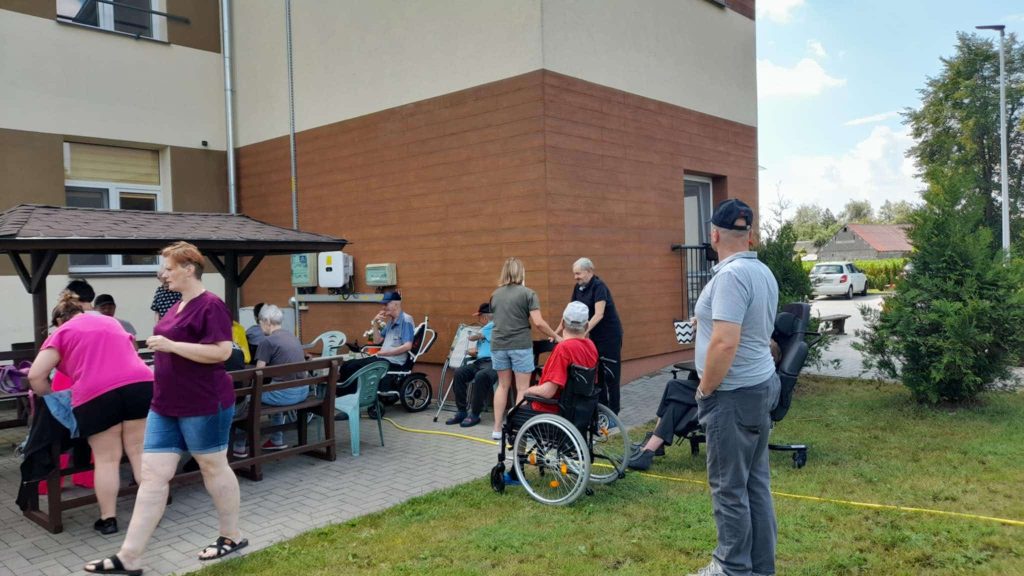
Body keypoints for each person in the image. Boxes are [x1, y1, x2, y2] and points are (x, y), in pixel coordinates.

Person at [86, 241, 246, 575]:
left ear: (189, 269)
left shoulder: (211, 305)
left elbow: (222, 352)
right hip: (164, 404)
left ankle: (231, 536)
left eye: (169, 268)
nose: (163, 274)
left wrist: (172, 345)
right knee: (153, 477)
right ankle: (129, 557)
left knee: (213, 467)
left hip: (204, 402)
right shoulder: (176, 305)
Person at [685, 198, 780, 576]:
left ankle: (731, 567)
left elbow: (725, 344)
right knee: (755, 484)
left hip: (732, 395)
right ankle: (760, 568)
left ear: (714, 235)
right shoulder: (761, 271)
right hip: (759, 386)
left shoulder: (730, 276)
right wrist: (704, 321)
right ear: (749, 235)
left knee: (728, 488)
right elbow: (748, 326)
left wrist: (705, 390)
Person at [26, 291, 153, 536]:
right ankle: (150, 514)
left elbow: (35, 376)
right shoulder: (110, 321)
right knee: (139, 452)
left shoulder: (62, 332)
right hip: (141, 385)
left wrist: (53, 398)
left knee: (107, 460)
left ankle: (108, 520)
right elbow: (132, 350)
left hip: (97, 394)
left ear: (60, 320)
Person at [629, 338, 782, 472]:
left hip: (725, 394)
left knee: (676, 396)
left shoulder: (765, 352)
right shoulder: (753, 343)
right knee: (674, 390)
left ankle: (651, 446)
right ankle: (653, 446)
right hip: (719, 388)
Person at [489, 257, 560, 440]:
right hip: (519, 345)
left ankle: (497, 429)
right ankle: (519, 429)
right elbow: (538, 322)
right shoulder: (528, 293)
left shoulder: (495, 295)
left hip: (498, 344)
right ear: (521, 272)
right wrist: (557, 336)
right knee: (522, 388)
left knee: (502, 386)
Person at [232, 304, 307, 456]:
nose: (260, 327)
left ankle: (239, 446)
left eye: (260, 323)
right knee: (273, 387)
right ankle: (276, 439)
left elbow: (258, 373)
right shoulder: (292, 337)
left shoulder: (268, 342)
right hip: (302, 392)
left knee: (246, 400)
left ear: (267, 321)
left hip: (284, 395)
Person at [555, 257, 624, 413]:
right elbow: (569, 314)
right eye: (574, 274)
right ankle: (602, 409)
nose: (575, 277)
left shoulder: (599, 287)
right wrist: (555, 332)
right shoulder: (578, 288)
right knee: (597, 374)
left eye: (578, 273)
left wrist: (582, 333)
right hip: (594, 337)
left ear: (589, 271)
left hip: (610, 336)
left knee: (611, 374)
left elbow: (599, 314)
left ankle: (614, 411)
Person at [521, 301, 598, 414]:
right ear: (586, 325)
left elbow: (548, 392)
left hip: (552, 409)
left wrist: (528, 390)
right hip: (579, 407)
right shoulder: (591, 346)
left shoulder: (564, 348)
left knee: (512, 413)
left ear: (562, 323)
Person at [336, 291, 415, 391]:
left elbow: (408, 346)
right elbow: (377, 341)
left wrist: (385, 353)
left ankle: (350, 394)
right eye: (383, 304)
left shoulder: (406, 320)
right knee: (347, 364)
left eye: (386, 304)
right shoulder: (391, 321)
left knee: (354, 367)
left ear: (396, 304)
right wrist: (375, 323)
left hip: (393, 362)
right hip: (382, 359)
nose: (383, 307)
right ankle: (343, 394)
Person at [444, 303, 497, 428]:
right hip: (480, 361)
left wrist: (471, 337)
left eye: (479, 317)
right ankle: (462, 411)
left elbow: (476, 337)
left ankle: (475, 414)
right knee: (459, 373)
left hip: (494, 363)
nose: (478, 320)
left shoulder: (492, 325)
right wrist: (476, 351)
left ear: (484, 317)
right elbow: (486, 346)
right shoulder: (488, 329)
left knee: (480, 376)